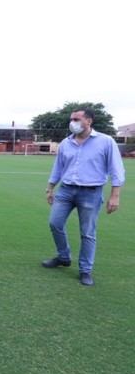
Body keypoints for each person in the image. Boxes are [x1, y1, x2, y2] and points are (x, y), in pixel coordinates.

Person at [42, 108, 125, 286]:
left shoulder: (105, 142)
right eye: (71, 119)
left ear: (89, 121)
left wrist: (115, 196)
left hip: (91, 192)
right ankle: (63, 257)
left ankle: (85, 270)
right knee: (55, 223)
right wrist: (50, 188)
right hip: (66, 190)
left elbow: (116, 170)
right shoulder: (66, 143)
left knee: (87, 233)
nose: (72, 122)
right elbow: (58, 167)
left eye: (77, 119)